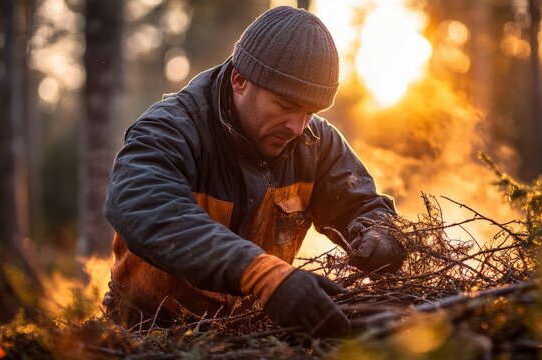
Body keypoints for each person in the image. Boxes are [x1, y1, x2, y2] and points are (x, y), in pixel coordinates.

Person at [103, 6, 404, 338]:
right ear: (239, 80)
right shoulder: (170, 130)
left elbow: (364, 207)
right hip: (146, 330)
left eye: (310, 112)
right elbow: (141, 207)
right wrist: (261, 274)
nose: (298, 126)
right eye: (286, 106)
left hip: (250, 334)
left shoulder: (317, 143)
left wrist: (381, 236)